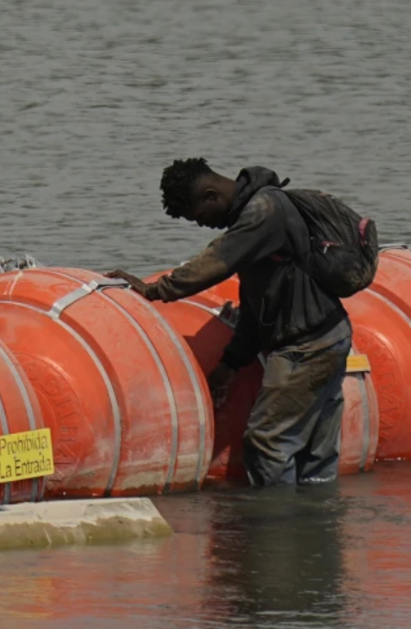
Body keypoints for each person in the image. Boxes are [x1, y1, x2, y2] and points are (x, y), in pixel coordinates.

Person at [107, 159, 351, 488]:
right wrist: (232, 362)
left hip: (305, 348)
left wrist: (153, 290)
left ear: (211, 196)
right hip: (329, 336)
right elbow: (256, 306)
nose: (203, 226)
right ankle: (315, 529)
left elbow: (216, 262)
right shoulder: (265, 214)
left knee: (267, 444)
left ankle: (279, 532)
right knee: (315, 456)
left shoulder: (263, 212)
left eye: (199, 217)